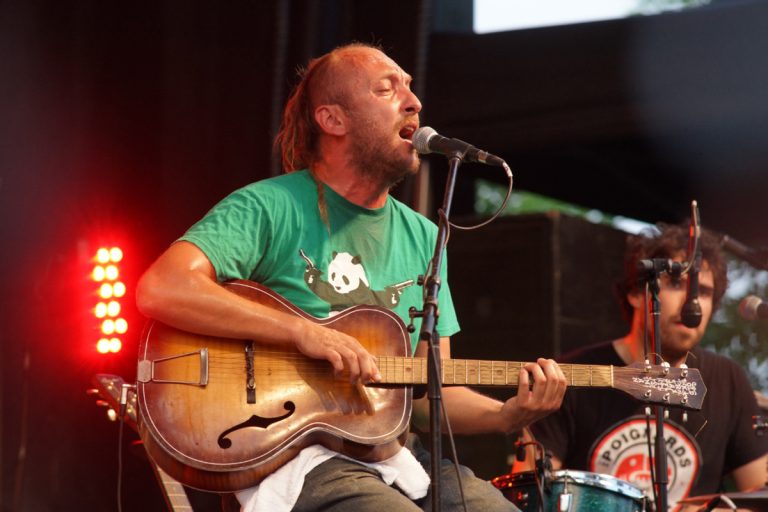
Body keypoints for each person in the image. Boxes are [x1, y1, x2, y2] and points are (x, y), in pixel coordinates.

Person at [136, 42, 567, 512]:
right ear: (333, 120)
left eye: (410, 87)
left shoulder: (426, 236)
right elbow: (163, 287)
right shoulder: (269, 206)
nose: (413, 102)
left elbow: (424, 395)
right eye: (387, 89)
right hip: (296, 457)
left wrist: (508, 415)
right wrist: (304, 333)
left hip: (396, 454)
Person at [515, 224, 768, 509]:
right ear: (636, 292)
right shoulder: (568, 373)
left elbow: (758, 497)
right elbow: (529, 493)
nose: (691, 302)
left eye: (705, 292)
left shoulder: (728, 379)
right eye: (674, 283)